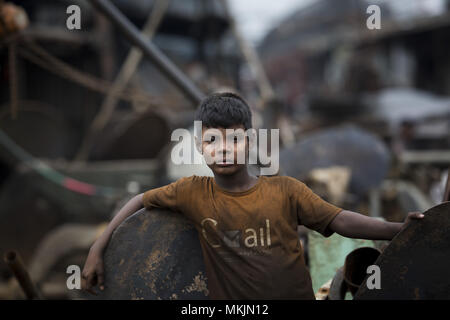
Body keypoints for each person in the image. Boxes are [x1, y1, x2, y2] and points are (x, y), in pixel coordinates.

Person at [81, 92, 424, 299]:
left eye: (234, 140)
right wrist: (98, 249)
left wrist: (399, 229)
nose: (224, 150)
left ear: (250, 142)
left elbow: (341, 219)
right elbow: (139, 200)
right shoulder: (192, 193)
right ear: (201, 147)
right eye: (213, 141)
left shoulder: (285, 190)